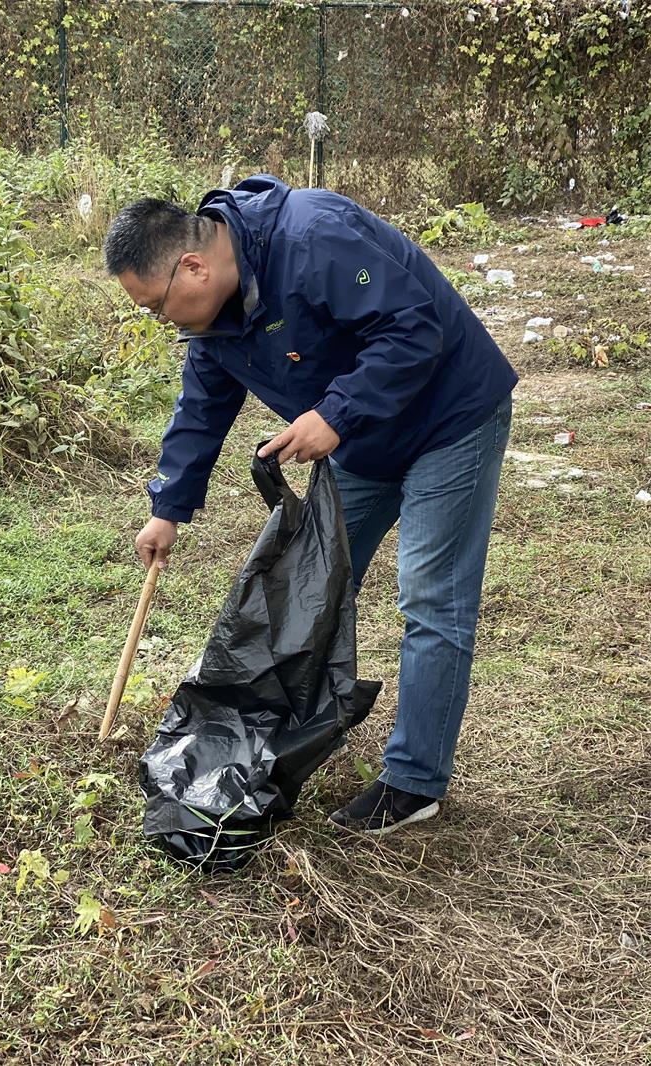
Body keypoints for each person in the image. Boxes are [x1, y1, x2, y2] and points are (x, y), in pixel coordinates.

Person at [104, 175, 517, 836]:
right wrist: (168, 508)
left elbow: (415, 328)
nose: (162, 321)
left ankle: (414, 784)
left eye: (157, 305)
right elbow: (203, 404)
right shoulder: (216, 313)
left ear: (192, 266)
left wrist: (334, 412)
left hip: (450, 417)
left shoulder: (313, 235)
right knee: (305, 584)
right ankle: (274, 739)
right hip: (364, 436)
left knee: (431, 600)